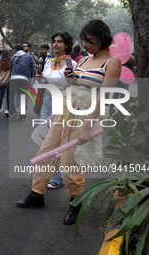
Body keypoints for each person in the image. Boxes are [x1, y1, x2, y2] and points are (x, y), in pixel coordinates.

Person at [17, 19, 121, 225]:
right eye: (84, 41)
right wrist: (71, 80)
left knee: (70, 162)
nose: (86, 45)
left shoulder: (112, 62)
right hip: (65, 110)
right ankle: (37, 194)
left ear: (102, 38)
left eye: (89, 40)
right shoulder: (81, 61)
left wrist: (87, 128)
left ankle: (76, 202)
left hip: (85, 115)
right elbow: (71, 85)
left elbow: (103, 97)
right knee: (44, 152)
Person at [38, 31, 77, 189]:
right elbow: (44, 82)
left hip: (61, 102)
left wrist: (70, 81)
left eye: (59, 41)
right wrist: (40, 79)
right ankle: (46, 175)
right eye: (54, 41)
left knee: (57, 141)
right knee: (43, 140)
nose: (55, 44)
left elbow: (73, 86)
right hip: (47, 102)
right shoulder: (49, 62)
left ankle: (57, 178)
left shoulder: (71, 64)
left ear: (67, 45)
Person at [9, 43, 36, 120]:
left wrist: (10, 77)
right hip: (23, 79)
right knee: (23, 96)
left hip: (13, 78)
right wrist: (33, 77)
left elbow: (11, 68)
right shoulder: (29, 57)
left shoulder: (13, 57)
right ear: (23, 49)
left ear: (15, 50)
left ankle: (13, 111)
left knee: (10, 96)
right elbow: (33, 68)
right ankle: (23, 114)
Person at [0, 50, 11, 117]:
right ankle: (7, 109)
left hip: (1, 80)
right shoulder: (11, 62)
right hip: (9, 81)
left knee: (1, 95)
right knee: (8, 96)